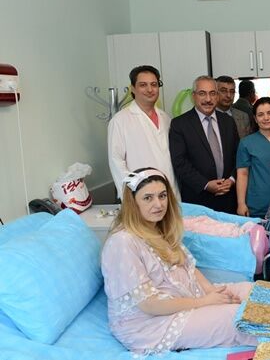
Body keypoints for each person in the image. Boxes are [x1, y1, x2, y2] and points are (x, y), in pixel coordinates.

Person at [100, 167, 257, 355]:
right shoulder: (122, 243)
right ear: (133, 203)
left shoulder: (159, 229)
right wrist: (205, 302)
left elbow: (188, 267)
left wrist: (210, 290)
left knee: (251, 290)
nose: (158, 204)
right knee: (239, 317)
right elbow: (149, 304)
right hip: (151, 323)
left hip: (188, 297)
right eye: (148, 198)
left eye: (162, 196)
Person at [108, 65, 179, 200]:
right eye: (143, 85)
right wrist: (132, 193)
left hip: (170, 191)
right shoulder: (120, 120)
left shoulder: (166, 118)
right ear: (133, 89)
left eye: (154, 84)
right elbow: (116, 161)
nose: (150, 89)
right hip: (140, 195)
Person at [169, 76, 239, 213]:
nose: (208, 99)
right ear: (193, 96)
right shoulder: (180, 124)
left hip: (228, 198)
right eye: (202, 93)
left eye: (212, 93)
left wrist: (232, 179)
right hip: (197, 199)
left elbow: (238, 155)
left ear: (217, 96)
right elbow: (179, 162)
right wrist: (205, 184)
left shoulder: (228, 121)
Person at [236, 97, 270, 217]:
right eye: (260, 115)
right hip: (256, 203)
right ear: (255, 119)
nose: (266, 118)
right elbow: (242, 174)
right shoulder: (246, 143)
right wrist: (241, 203)